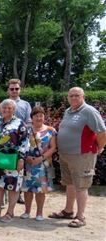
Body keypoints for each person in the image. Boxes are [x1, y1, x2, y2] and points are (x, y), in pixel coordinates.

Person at [50, 87, 106, 228]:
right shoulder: (69, 111)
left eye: (77, 95)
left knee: (81, 186)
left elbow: (102, 131)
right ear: (68, 97)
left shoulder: (89, 111)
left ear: (83, 96)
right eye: (71, 95)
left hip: (83, 155)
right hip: (66, 155)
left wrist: (100, 147)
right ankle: (68, 211)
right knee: (70, 183)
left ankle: (80, 217)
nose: (74, 98)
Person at [0, 99, 29, 223]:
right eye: (4, 108)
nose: (6, 110)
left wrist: (21, 158)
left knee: (12, 185)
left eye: (9, 108)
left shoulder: (20, 124)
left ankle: (10, 213)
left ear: (14, 110)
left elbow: (24, 142)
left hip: (12, 159)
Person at [20, 106, 57, 221]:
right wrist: (26, 157)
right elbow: (21, 145)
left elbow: (53, 148)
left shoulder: (51, 130)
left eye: (41, 115)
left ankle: (39, 213)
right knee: (27, 189)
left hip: (43, 164)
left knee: (41, 190)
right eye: (36, 115)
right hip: (28, 164)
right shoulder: (26, 130)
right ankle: (27, 211)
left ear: (44, 117)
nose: (39, 118)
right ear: (31, 118)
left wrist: (41, 158)